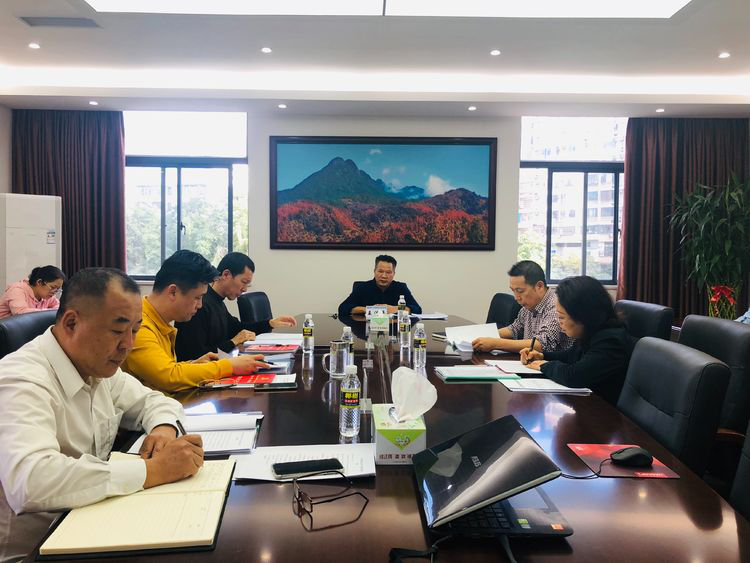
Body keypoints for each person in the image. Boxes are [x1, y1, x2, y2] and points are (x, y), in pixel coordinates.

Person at [0, 268, 205, 561]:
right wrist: (153, 470)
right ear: (71, 323)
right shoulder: (21, 380)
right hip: (36, 551)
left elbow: (153, 401)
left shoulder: (98, 367)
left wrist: (163, 428)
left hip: (91, 523)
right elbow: (30, 482)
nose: (128, 345)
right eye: (118, 331)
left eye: (135, 330)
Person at [122, 250, 269, 393]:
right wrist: (229, 366)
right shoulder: (139, 326)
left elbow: (164, 369)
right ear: (173, 292)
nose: (199, 305)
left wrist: (193, 364)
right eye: (197, 298)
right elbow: (169, 377)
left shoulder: (158, 321)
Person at [520, 275, 635, 405]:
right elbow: (571, 355)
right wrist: (542, 356)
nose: (559, 322)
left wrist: (544, 366)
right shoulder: (591, 330)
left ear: (583, 316)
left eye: (561, 317)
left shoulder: (611, 341)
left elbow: (574, 376)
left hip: (603, 410)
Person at [175, 252, 297, 361]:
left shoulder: (217, 302)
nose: (245, 289)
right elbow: (197, 356)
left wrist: (270, 323)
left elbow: (238, 328)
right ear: (226, 275)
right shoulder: (197, 306)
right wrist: (234, 342)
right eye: (244, 282)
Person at [472, 260, 572, 353]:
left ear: (539, 286)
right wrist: (483, 336)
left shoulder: (556, 306)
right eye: (513, 291)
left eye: (520, 291)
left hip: (553, 364)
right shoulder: (529, 306)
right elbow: (514, 329)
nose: (516, 297)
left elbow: (542, 344)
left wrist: (495, 344)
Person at [338, 255, 422, 317]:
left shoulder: (401, 287)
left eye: (388, 272)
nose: (384, 276)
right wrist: (370, 309)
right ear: (374, 271)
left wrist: (395, 309)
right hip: (367, 330)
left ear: (394, 274)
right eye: (380, 271)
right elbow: (343, 308)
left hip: (393, 331)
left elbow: (417, 309)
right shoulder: (362, 287)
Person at [0, 265, 66, 319]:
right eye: (53, 287)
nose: (54, 292)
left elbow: (60, 308)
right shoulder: (17, 290)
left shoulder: (47, 295)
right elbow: (20, 313)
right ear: (39, 282)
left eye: (57, 289)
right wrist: (48, 311)